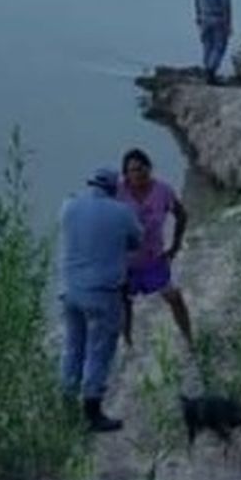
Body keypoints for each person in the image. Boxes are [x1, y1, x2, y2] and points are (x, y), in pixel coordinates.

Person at [59, 167, 143, 433]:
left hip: (70, 291)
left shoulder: (69, 206)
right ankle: (92, 412)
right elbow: (136, 241)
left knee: (73, 347)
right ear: (114, 188)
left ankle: (65, 407)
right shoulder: (122, 212)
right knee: (99, 350)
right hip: (102, 294)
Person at [117, 148, 193, 349]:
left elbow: (182, 215)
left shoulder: (162, 191)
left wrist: (175, 245)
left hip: (154, 260)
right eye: (132, 170)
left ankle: (189, 339)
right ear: (125, 174)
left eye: (141, 168)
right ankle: (128, 342)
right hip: (126, 262)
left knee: (175, 298)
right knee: (125, 304)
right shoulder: (118, 193)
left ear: (149, 168)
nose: (138, 174)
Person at [193, 0, 237, 84]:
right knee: (219, 46)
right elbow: (226, 6)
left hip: (204, 17)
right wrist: (228, 25)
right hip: (217, 18)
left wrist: (198, 15)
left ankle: (207, 69)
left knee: (207, 45)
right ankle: (211, 73)